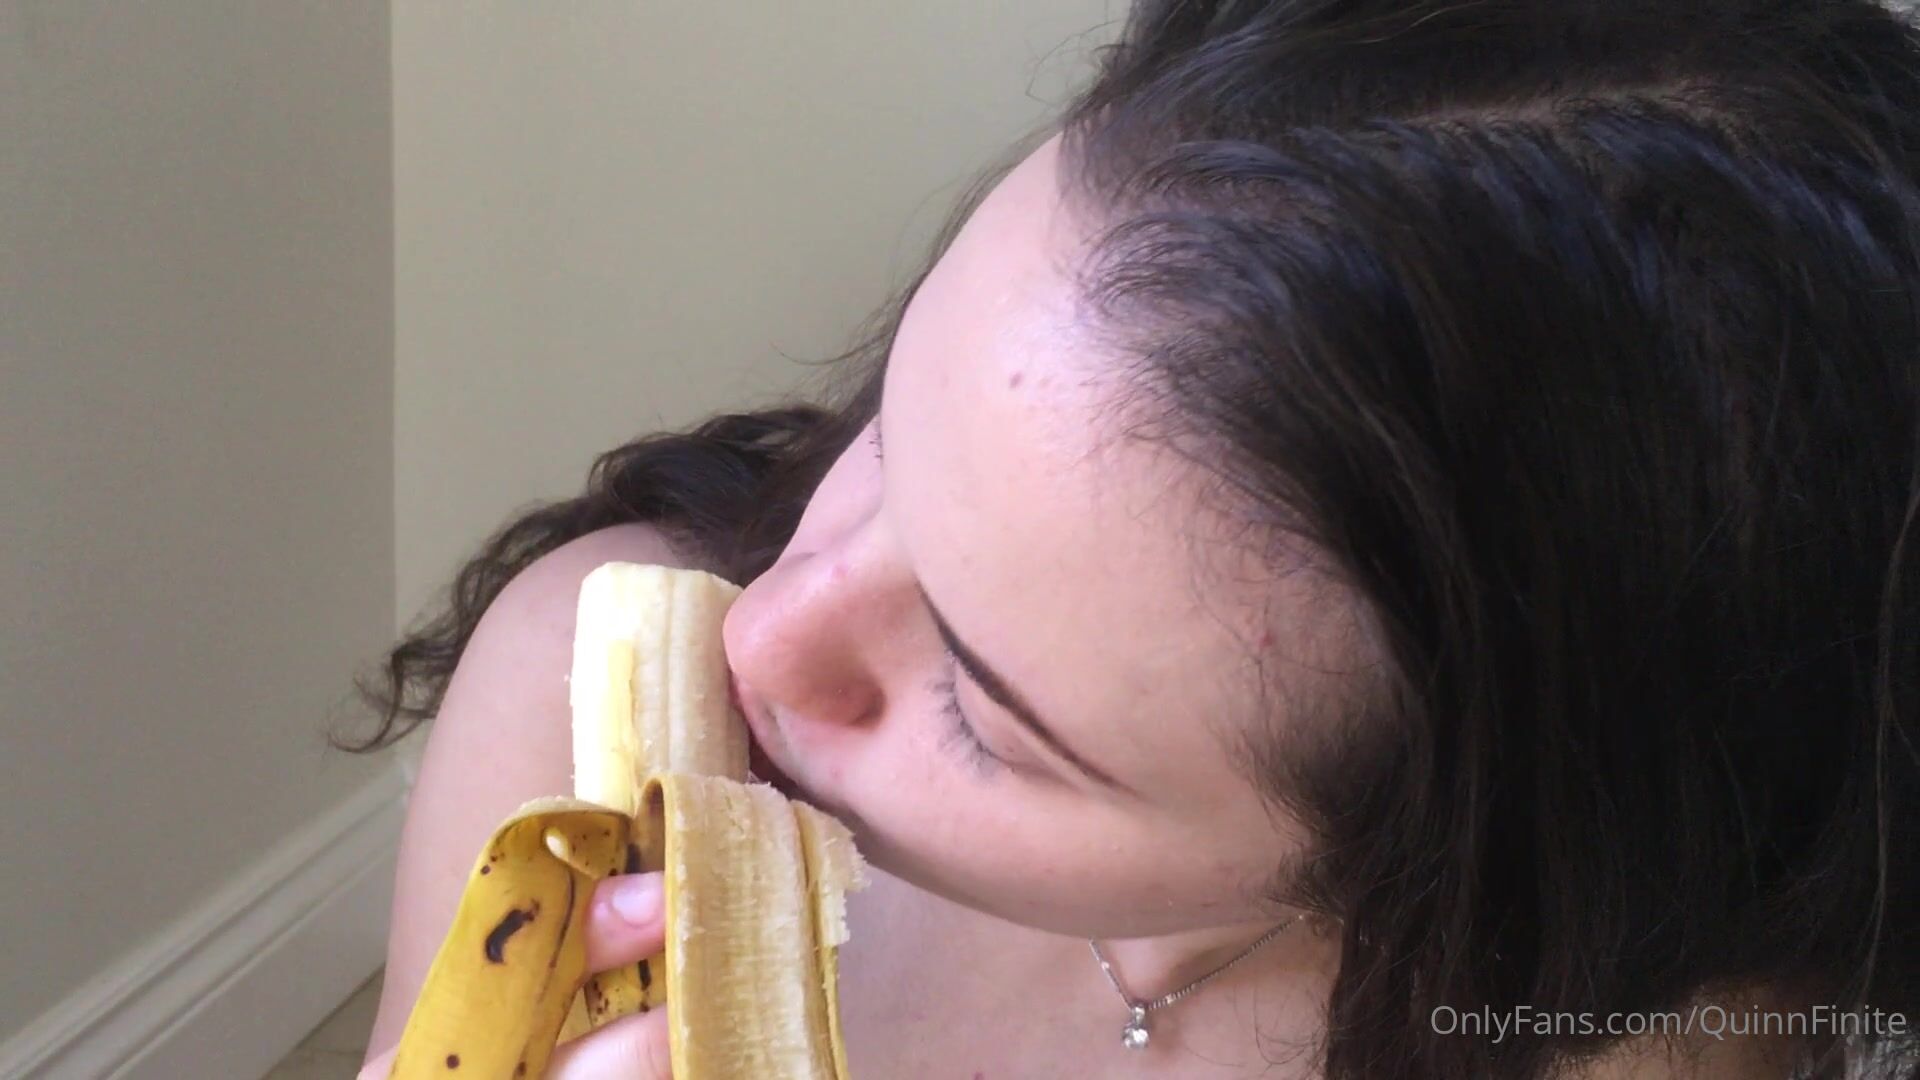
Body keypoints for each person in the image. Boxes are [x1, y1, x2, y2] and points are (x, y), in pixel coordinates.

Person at [340, 1, 1920, 1076]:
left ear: (1457, 851)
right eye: (895, 433)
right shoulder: (557, 696)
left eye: (984, 713)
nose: (761, 630)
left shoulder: (1638, 1029)